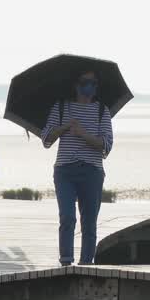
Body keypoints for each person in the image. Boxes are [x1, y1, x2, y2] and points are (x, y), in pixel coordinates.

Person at [41, 70, 114, 266]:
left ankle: (86, 264)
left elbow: (106, 145)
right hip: (65, 170)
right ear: (76, 85)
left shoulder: (102, 110)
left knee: (89, 222)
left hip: (92, 171)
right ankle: (66, 262)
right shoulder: (62, 107)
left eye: (93, 82)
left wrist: (83, 134)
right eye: (85, 82)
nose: (89, 86)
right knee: (67, 217)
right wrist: (64, 127)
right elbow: (46, 139)